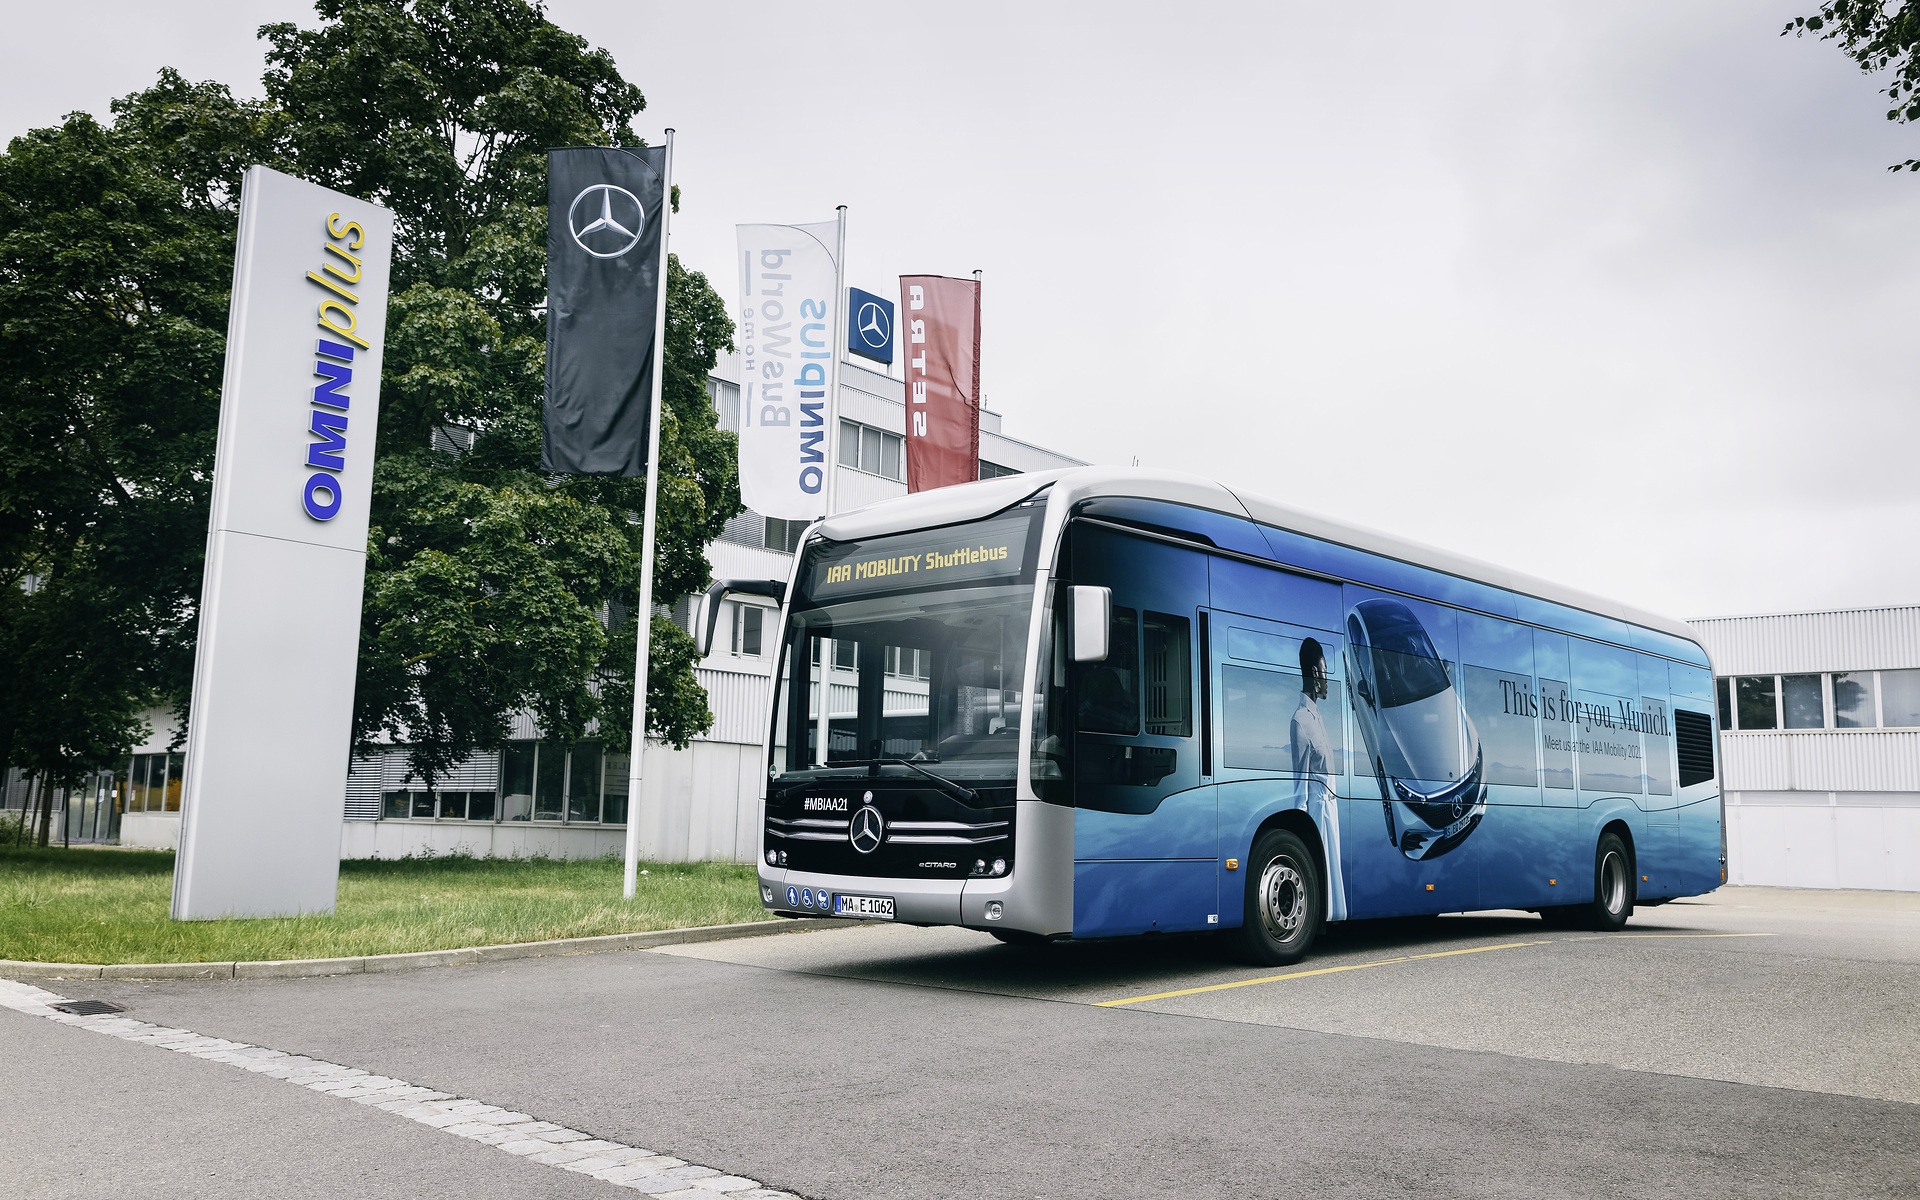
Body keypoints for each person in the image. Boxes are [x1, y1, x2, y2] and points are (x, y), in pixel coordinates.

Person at [1290, 637, 1347, 922]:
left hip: (1330, 814)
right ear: (1315, 674)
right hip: (1318, 817)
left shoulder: (1317, 717)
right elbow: (1300, 789)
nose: (1327, 679)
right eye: (1325, 672)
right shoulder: (1301, 721)